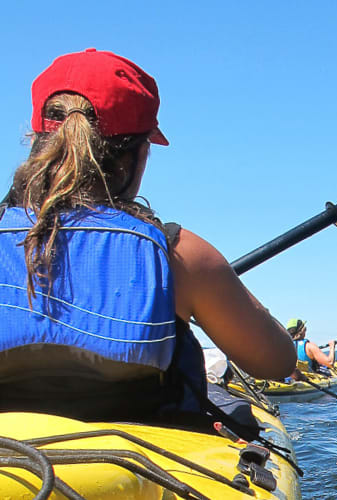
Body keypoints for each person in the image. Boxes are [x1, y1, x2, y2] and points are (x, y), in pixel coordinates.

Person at [0, 49, 296, 422]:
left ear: (36, 142)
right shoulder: (179, 254)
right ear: (138, 154)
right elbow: (276, 361)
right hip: (140, 469)